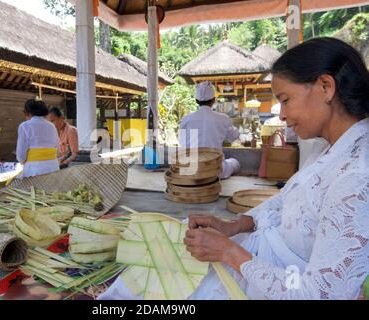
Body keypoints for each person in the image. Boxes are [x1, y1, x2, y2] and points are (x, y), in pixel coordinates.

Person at [99, 37, 369, 300]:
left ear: (325, 87)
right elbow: (283, 202)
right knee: (171, 241)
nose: (282, 114)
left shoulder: (356, 177)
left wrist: (228, 251)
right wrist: (234, 225)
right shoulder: (329, 148)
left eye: (286, 100)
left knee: (168, 264)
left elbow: (321, 293)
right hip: (220, 179)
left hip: (276, 276)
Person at [178, 81, 241, 179]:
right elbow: (234, 136)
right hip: (215, 171)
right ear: (213, 100)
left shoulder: (186, 119)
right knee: (235, 162)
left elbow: (182, 143)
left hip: (192, 170)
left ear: (196, 100)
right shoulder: (223, 118)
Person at [15, 98, 60, 178]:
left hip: (35, 169)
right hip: (53, 167)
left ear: (28, 112)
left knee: (36, 190)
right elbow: (58, 150)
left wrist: (22, 161)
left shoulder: (25, 126)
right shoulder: (51, 126)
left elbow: (21, 155)